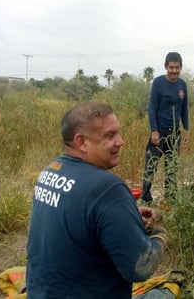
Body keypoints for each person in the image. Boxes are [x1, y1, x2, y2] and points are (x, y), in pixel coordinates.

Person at [26, 102, 168, 299]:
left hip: (41, 293)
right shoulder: (107, 188)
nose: (121, 141)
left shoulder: (49, 172)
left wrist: (126, 216)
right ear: (81, 141)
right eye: (110, 135)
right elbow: (141, 268)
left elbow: (78, 221)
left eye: (118, 133)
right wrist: (159, 230)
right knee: (162, 296)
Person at [140, 52, 189, 205]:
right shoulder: (158, 83)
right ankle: (146, 199)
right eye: (171, 67)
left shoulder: (182, 85)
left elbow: (184, 109)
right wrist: (154, 130)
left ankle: (170, 200)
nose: (174, 71)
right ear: (166, 67)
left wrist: (186, 129)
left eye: (177, 67)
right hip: (159, 132)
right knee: (151, 166)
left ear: (181, 67)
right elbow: (151, 108)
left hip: (174, 134)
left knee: (171, 168)